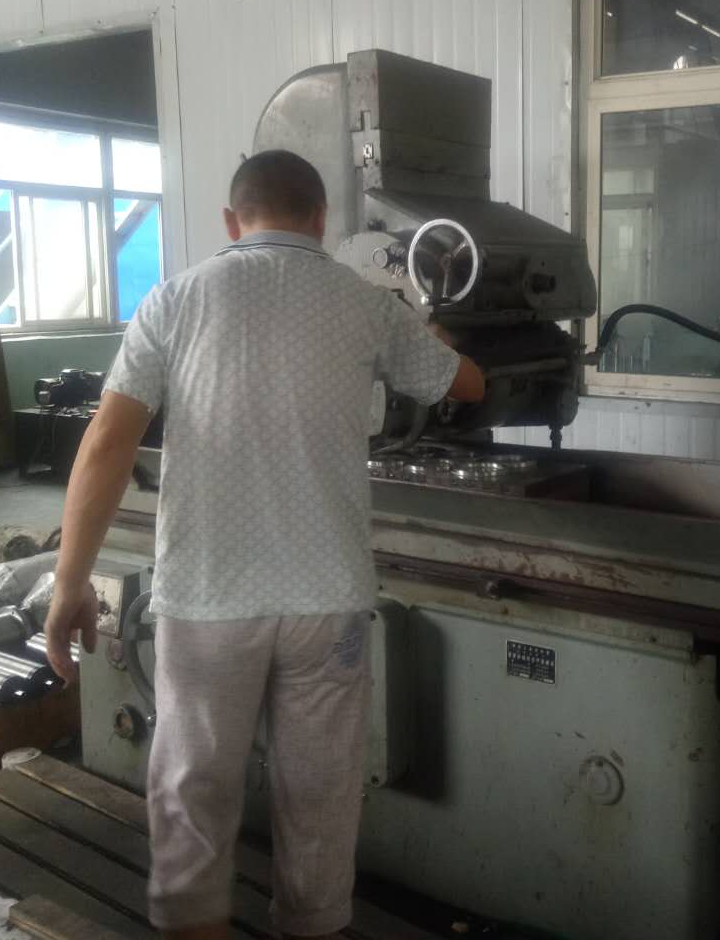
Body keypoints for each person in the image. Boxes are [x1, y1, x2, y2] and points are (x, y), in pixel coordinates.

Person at [43, 149, 486, 940]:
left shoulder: (173, 300)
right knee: (321, 795)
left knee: (193, 789)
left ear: (230, 220)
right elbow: (469, 385)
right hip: (328, 601)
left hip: (208, 596)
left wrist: (69, 584)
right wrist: (436, 336)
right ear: (321, 219)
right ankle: (314, 922)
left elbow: (108, 444)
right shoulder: (365, 302)